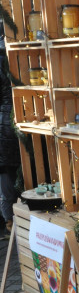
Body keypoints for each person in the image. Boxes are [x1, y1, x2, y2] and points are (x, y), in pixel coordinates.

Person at [0, 24, 19, 238]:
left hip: (4, 126)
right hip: (15, 120)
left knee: (5, 181)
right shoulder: (13, 55)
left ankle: (10, 224)